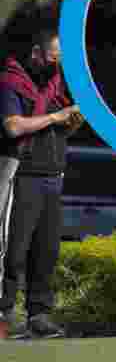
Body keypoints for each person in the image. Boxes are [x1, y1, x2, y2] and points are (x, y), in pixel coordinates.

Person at [0, 28, 83, 339]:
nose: (57, 64)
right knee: (13, 250)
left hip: (53, 176)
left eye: (60, 59)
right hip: (21, 176)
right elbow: (12, 127)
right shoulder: (11, 82)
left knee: (46, 251)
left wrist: (70, 123)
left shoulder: (56, 85)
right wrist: (56, 117)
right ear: (37, 54)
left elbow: (59, 131)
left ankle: (39, 315)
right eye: (53, 58)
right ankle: (4, 314)